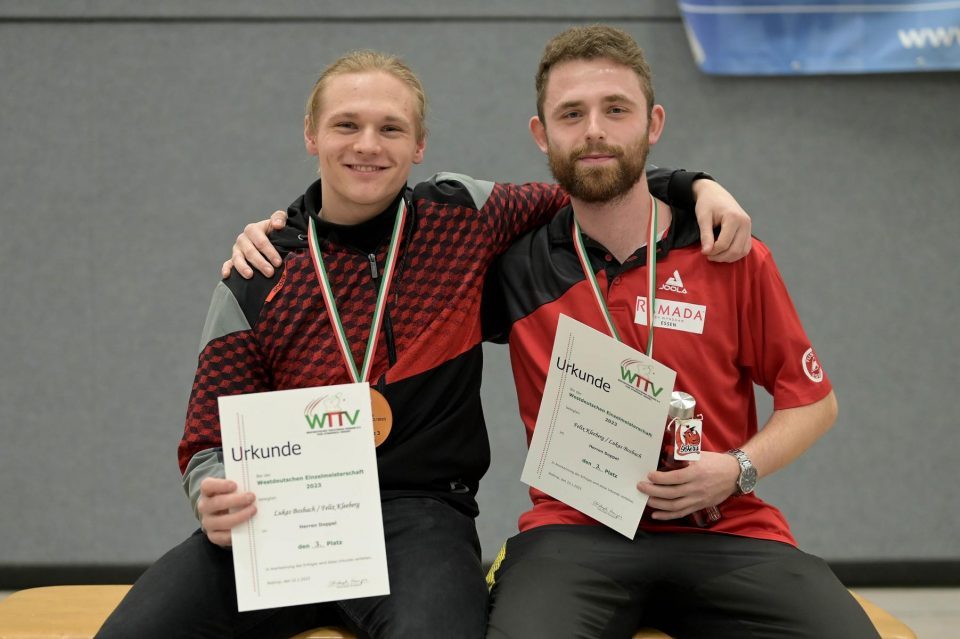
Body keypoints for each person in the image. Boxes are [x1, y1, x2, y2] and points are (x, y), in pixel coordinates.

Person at [107, 49, 751, 639]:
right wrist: (211, 492)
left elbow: (596, 184)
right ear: (311, 136)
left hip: (420, 519)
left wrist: (692, 184)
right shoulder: (261, 269)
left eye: (390, 129)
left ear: (418, 145)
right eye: (345, 125)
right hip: (277, 520)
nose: (367, 145)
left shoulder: (461, 216)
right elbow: (204, 436)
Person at [473, 26, 880, 639]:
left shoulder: (729, 252)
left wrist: (737, 466)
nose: (594, 131)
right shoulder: (515, 265)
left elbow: (814, 404)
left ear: (653, 123)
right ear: (542, 134)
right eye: (571, 114)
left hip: (727, 529)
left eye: (617, 110)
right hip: (577, 536)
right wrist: (280, 232)